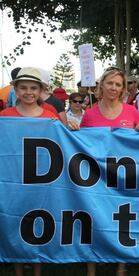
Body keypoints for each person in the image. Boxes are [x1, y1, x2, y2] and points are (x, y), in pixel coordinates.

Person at [69, 67, 139, 276]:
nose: (113, 88)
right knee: (93, 217)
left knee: (122, 218)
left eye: (118, 84)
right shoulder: (90, 114)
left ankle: (121, 265)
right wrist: (73, 132)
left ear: (123, 89)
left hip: (124, 177)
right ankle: (91, 267)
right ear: (101, 86)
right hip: (97, 177)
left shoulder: (132, 111)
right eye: (110, 83)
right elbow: (82, 144)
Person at [0, 67, 59, 276]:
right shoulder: (4, 116)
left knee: (38, 224)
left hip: (42, 181)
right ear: (15, 89)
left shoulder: (50, 116)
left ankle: (37, 270)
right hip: (13, 181)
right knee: (14, 222)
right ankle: (17, 270)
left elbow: (65, 143)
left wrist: (67, 127)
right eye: (23, 87)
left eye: (33, 88)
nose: (28, 92)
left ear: (41, 90)